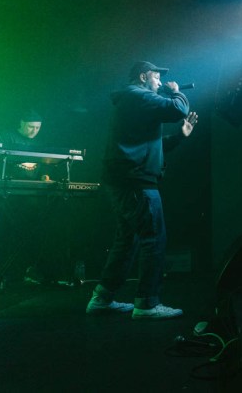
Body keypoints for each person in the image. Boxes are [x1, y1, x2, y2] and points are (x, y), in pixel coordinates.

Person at [86, 60, 198, 320]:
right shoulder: (137, 95)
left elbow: (150, 145)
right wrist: (175, 92)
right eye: (157, 77)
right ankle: (147, 303)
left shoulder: (134, 100)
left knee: (127, 240)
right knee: (153, 238)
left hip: (125, 180)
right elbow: (178, 109)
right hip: (136, 181)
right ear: (143, 76)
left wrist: (180, 136)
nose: (160, 82)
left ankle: (102, 298)